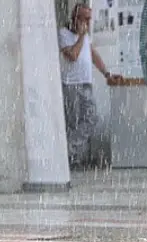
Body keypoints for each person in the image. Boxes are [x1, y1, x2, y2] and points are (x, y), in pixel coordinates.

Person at [58, 3, 118, 169]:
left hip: (86, 83)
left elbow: (92, 54)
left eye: (89, 19)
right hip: (71, 84)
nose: (88, 22)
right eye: (85, 19)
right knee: (73, 122)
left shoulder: (85, 37)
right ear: (76, 19)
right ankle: (72, 159)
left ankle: (69, 150)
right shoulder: (64, 34)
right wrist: (81, 36)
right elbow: (73, 56)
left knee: (91, 118)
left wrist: (106, 73)